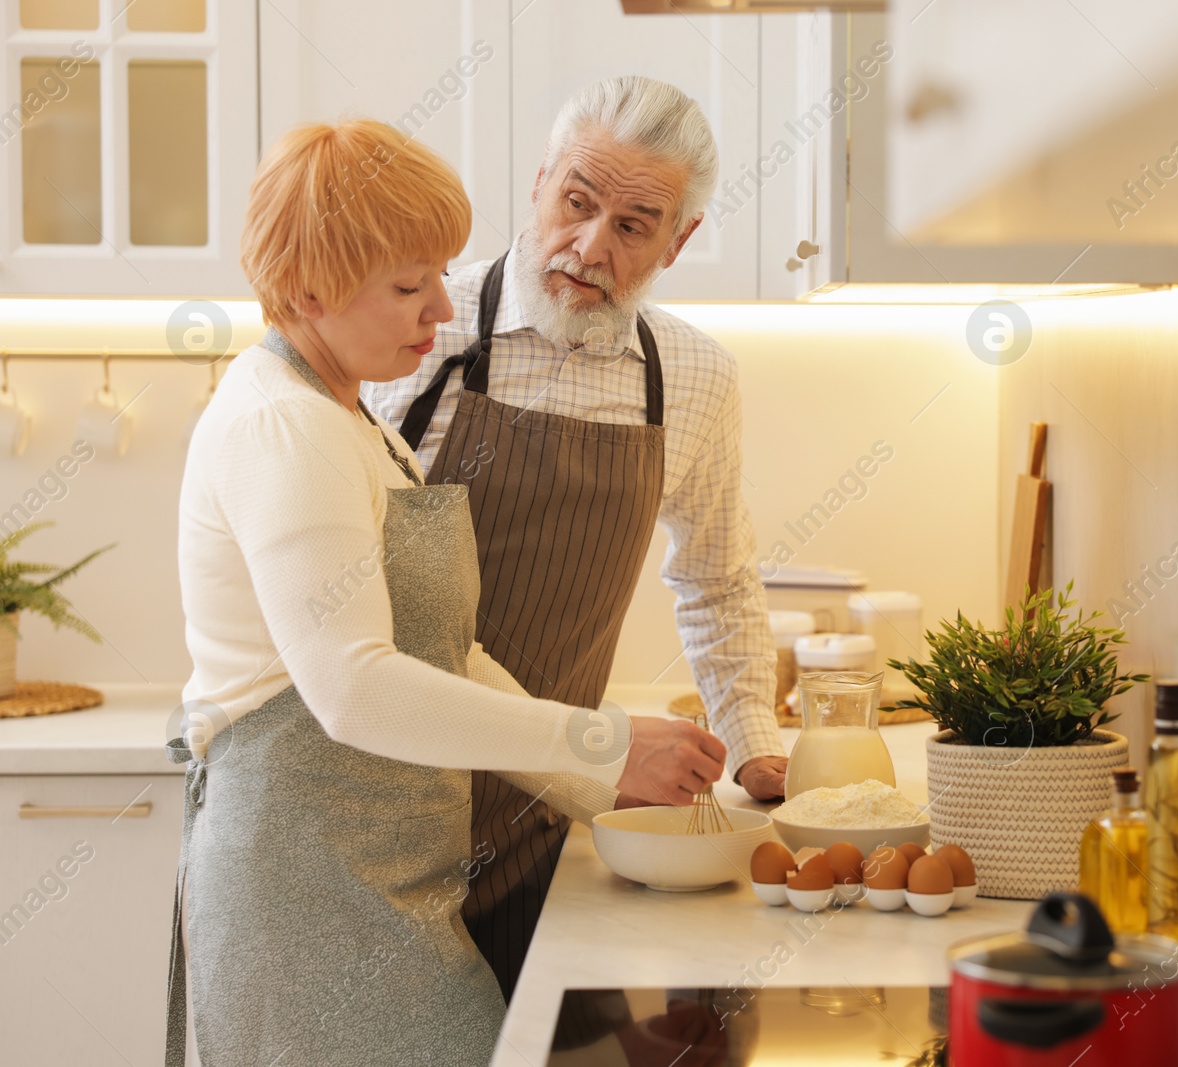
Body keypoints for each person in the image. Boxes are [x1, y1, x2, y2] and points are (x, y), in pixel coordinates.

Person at [169, 119, 725, 1067]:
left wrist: (608, 777)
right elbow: (354, 687)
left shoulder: (350, 420)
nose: (438, 307)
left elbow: (444, 650)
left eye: (437, 273)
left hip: (388, 887)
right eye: (405, 284)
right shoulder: (281, 428)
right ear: (306, 287)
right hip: (308, 903)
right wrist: (605, 742)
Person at [364, 75, 788, 998]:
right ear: (540, 181)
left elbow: (716, 579)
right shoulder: (411, 337)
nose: (590, 246)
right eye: (577, 202)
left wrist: (753, 740)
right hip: (376, 807)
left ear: (680, 241)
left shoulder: (696, 381)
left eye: (634, 225)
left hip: (540, 818)